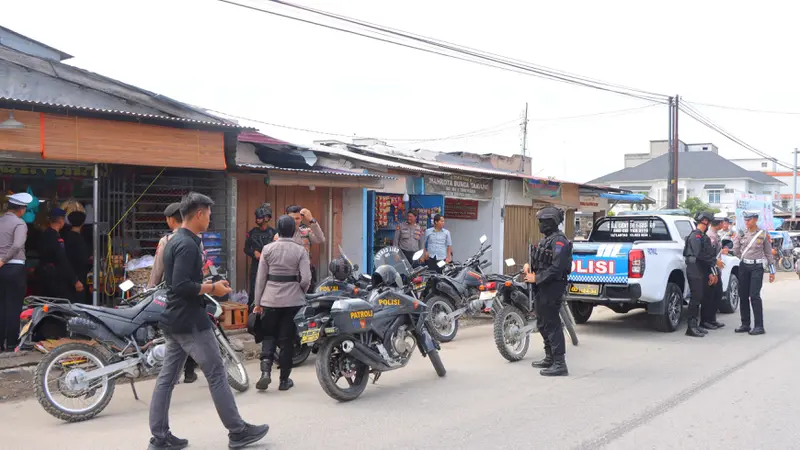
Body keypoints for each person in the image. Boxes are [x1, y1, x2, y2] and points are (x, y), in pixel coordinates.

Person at [148, 192, 268, 450]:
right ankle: (237, 431)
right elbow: (180, 285)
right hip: (190, 321)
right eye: (209, 214)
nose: (210, 218)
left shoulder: (174, 241)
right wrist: (212, 289)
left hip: (175, 319)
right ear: (199, 214)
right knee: (216, 374)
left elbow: (175, 283)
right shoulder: (188, 244)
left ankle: (159, 437)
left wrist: (209, 286)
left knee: (167, 379)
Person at [253, 215, 311, 391]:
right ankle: (284, 381)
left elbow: (260, 278)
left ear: (278, 229)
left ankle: (265, 373)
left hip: (269, 299)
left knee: (269, 336)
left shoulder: (267, 249)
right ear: (293, 230)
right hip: (292, 301)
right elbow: (306, 278)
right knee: (286, 341)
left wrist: (258, 301)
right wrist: (300, 290)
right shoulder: (300, 250)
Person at [147, 202, 199, 384]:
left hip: (170, 293)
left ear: (170, 220)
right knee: (191, 330)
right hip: (194, 292)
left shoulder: (166, 241)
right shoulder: (195, 239)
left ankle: (170, 374)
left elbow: (157, 269)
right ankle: (189, 371)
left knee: (169, 332)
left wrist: (150, 287)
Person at [523, 206, 572, 376]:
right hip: (542, 287)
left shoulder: (560, 241)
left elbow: (557, 268)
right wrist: (529, 266)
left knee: (552, 324)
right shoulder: (547, 240)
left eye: (542, 222)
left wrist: (536, 278)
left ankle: (560, 363)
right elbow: (542, 260)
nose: (539, 225)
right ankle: (550, 357)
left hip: (552, 287)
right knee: (542, 323)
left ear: (550, 223)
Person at [732, 211, 774, 336]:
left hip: (757, 266)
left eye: (749, 219)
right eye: (745, 220)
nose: (747, 222)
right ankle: (745, 324)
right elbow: (735, 249)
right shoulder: (741, 233)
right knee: (743, 295)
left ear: (755, 220)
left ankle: (759, 326)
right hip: (744, 265)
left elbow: (768, 252)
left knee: (754, 296)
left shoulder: (763, 233)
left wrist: (772, 270)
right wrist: (743, 258)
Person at [0, 193, 32, 352]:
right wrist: (4, 260)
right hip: (14, 267)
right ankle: (11, 343)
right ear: (21, 209)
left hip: (1, 268)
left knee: (1, 305)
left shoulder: (0, 221)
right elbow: (17, 245)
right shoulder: (19, 223)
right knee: (13, 307)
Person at [683, 211, 719, 338]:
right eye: (708, 221)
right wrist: (713, 262)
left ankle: (696, 325)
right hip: (695, 269)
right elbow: (699, 254)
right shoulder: (696, 236)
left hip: (701, 269)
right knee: (695, 298)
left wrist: (710, 270)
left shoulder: (702, 236)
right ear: (705, 222)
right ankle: (691, 327)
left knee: (700, 297)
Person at [278, 205, 325, 292]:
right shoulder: (279, 236)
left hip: (306, 272)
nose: (295, 221)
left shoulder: (305, 232)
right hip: (288, 273)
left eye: (297, 218)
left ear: (301, 219)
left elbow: (321, 239)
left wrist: (312, 220)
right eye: (292, 219)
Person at [37, 208, 81, 300]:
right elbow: (62, 259)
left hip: (42, 274)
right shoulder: (56, 237)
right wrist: (74, 280)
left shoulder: (44, 234)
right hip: (54, 277)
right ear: (61, 221)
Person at [244, 203, 276, 308]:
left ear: (266, 218)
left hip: (270, 266)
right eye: (257, 218)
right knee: (254, 290)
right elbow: (246, 249)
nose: (257, 220)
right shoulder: (252, 233)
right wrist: (254, 253)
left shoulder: (274, 233)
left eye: (260, 217)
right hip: (256, 266)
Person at [702, 216, 726, 330]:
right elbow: (710, 255)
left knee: (717, 294)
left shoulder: (714, 234)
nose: (725, 225)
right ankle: (706, 320)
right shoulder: (710, 236)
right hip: (711, 269)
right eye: (723, 222)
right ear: (720, 223)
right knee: (709, 296)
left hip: (716, 268)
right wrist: (712, 271)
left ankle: (712, 319)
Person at [62, 211, 91, 304]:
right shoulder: (79, 239)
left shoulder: (65, 236)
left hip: (66, 274)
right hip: (78, 275)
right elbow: (83, 259)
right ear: (83, 222)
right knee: (79, 302)